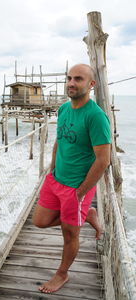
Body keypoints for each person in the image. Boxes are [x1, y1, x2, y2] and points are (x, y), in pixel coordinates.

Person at [32, 63, 111, 294]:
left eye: (78, 79)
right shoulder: (64, 109)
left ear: (91, 84)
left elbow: (103, 160)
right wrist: (52, 167)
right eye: (69, 78)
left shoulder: (96, 117)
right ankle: (86, 215)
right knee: (39, 221)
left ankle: (62, 274)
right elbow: (60, 140)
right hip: (55, 179)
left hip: (76, 188)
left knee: (69, 234)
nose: (71, 83)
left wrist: (81, 192)